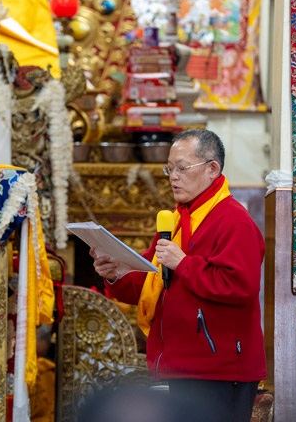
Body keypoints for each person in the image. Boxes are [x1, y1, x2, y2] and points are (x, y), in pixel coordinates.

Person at [91, 129, 265, 422]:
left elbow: (239, 287)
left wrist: (184, 263)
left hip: (220, 369)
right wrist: (116, 274)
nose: (173, 176)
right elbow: (151, 281)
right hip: (180, 363)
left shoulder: (234, 221)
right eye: (169, 168)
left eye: (182, 168)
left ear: (212, 169)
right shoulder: (173, 220)